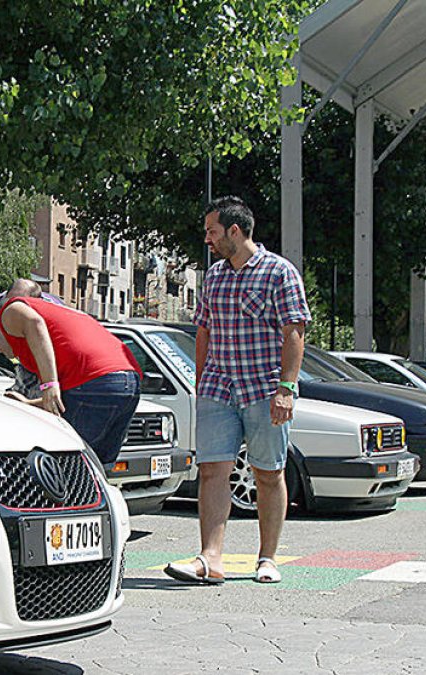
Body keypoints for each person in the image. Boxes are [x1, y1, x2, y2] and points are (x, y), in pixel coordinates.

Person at [165, 196, 310, 585]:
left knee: (268, 473)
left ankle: (267, 558)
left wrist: (286, 388)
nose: (207, 239)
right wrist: (199, 384)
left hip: (265, 389)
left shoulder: (280, 272)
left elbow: (293, 331)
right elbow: (204, 331)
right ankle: (210, 559)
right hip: (218, 387)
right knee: (212, 470)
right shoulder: (213, 276)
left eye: (212, 231)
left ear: (235, 230)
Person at [0, 294, 142, 465]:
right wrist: (27, 403)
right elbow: (64, 402)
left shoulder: (9, 311)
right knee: (99, 466)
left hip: (96, 381)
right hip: (129, 383)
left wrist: (50, 384)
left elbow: (34, 323)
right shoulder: (62, 322)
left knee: (66, 464)